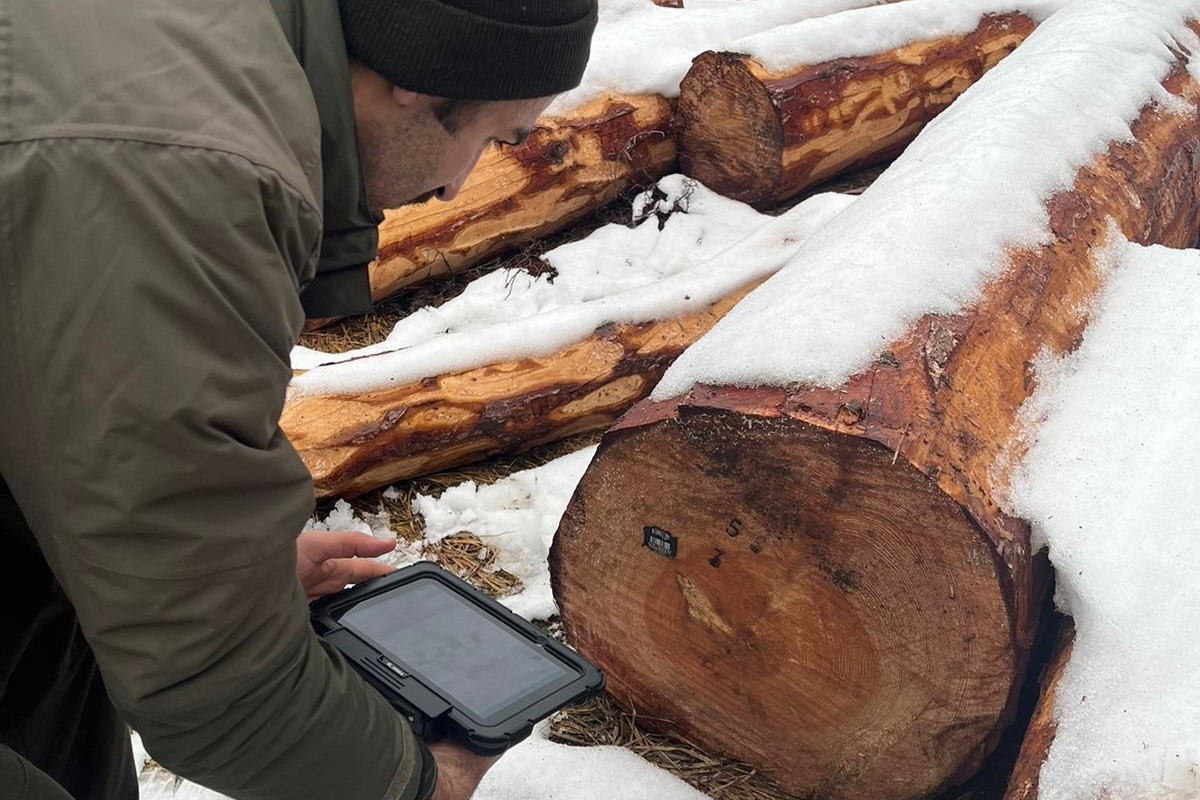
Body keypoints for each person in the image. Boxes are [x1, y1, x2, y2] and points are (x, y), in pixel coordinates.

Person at [0, 1, 597, 799]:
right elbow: (213, 686)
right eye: (489, 138)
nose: (457, 187)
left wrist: (217, 574)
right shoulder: (180, 177)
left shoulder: (203, 52)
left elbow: (92, 443)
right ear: (422, 78)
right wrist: (421, 783)